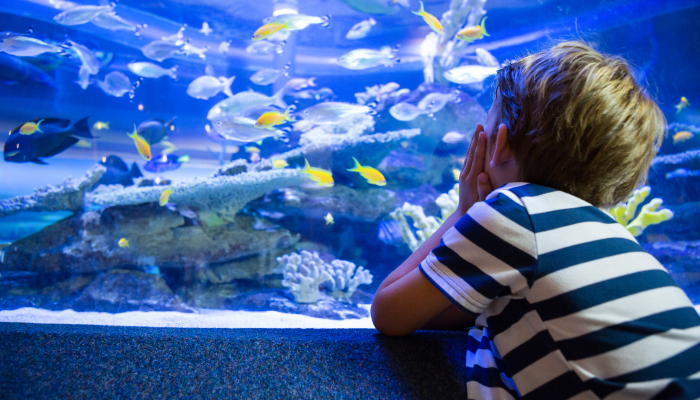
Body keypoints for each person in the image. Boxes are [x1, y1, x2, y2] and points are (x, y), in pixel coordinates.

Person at [371, 41, 700, 399]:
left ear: (498, 144)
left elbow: (389, 312)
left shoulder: (514, 212)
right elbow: (458, 307)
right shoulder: (608, 233)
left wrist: (462, 212)